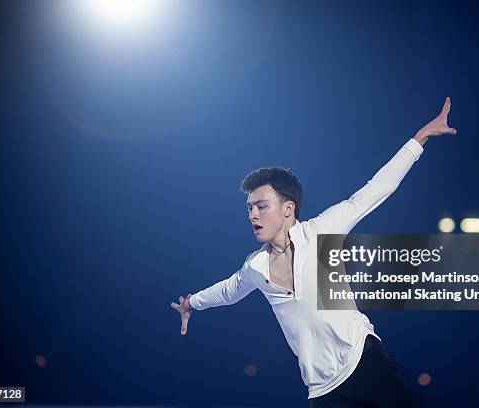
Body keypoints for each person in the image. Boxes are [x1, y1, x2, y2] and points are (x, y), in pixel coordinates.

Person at [171, 97, 457, 407]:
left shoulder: (319, 232)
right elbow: (230, 290)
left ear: (287, 209)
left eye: (261, 206)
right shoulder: (256, 267)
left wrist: (420, 139)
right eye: (249, 208)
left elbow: (374, 190)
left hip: (363, 360)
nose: (253, 215)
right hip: (321, 389)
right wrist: (192, 303)